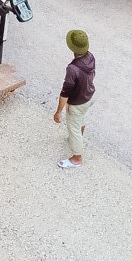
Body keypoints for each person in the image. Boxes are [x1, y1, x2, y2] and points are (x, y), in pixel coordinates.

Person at [54, 29, 96, 168]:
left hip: (78, 103)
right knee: (79, 121)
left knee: (73, 127)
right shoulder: (90, 57)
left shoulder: (72, 69)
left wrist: (58, 112)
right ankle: (79, 135)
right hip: (89, 96)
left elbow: (65, 93)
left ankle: (77, 158)